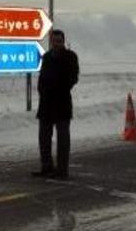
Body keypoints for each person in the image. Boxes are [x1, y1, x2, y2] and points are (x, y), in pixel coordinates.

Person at [32, 29, 79, 179]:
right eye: (54, 41)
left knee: (63, 140)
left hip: (62, 103)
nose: (57, 43)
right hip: (46, 104)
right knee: (44, 138)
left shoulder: (70, 57)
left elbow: (73, 78)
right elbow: (41, 79)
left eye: (59, 41)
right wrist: (42, 92)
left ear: (63, 41)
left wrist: (59, 88)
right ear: (51, 41)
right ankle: (46, 167)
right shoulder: (46, 57)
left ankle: (62, 170)